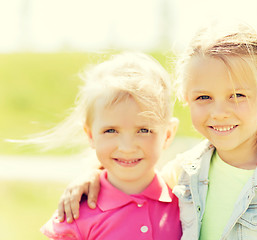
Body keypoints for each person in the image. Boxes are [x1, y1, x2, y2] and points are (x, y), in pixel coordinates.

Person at [56, 21, 257, 240]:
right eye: (204, 97)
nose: (219, 112)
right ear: (186, 98)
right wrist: (93, 177)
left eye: (237, 95)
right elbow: (132, 178)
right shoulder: (183, 173)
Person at [38, 52, 182, 239]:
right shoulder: (75, 214)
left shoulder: (186, 204)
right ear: (90, 134)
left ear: (168, 134)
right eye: (111, 131)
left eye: (144, 130)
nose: (127, 147)